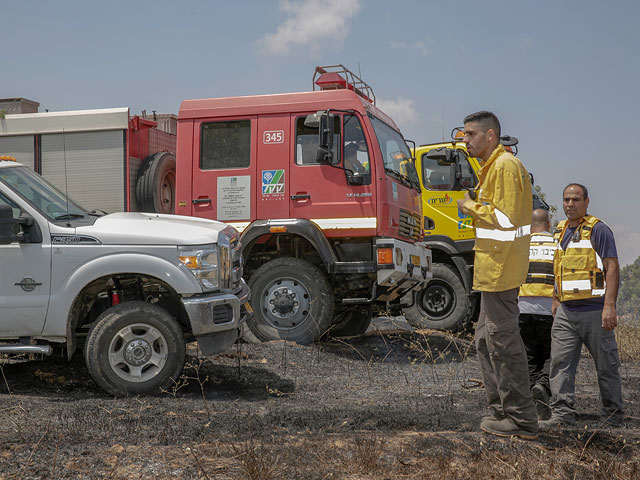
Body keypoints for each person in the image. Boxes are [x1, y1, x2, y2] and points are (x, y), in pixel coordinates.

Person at [456, 111, 538, 439]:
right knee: (483, 341)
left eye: (471, 134)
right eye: (464, 134)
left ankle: (520, 419)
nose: (466, 140)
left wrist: (470, 207)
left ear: (491, 136)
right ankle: (501, 411)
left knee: (502, 342)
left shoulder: (504, 167)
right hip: (494, 270)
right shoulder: (493, 169)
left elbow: (504, 220)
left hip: (501, 270)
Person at [539, 184, 624, 430]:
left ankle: (612, 416)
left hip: (596, 312)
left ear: (586, 202)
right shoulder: (559, 231)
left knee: (607, 365)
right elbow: (559, 270)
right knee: (560, 365)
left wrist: (610, 306)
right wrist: (556, 299)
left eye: (575, 199)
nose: (569, 204)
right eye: (566, 200)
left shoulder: (598, 230)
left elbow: (612, 267)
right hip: (566, 312)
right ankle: (562, 415)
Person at [518, 208, 556, 420]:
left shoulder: (521, 247)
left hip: (523, 308)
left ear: (529, 226)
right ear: (548, 225)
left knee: (530, 355)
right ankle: (542, 386)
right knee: (553, 354)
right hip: (550, 308)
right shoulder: (556, 245)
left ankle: (535, 401)